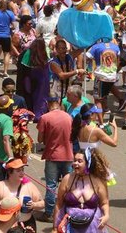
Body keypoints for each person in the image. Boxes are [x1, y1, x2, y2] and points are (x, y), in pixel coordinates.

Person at [38, 91, 74, 222]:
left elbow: (40, 139)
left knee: (51, 186)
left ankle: (48, 213)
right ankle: (70, 211)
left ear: (47, 103)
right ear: (59, 102)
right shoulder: (68, 117)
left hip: (52, 156)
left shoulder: (45, 118)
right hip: (68, 156)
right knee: (69, 186)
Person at [55, 149, 111, 232]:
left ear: (88, 163)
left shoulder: (98, 181)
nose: (75, 163)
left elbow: (104, 202)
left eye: (79, 161)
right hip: (70, 226)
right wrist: (54, 228)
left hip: (92, 226)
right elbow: (59, 204)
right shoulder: (67, 179)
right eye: (74, 160)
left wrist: (106, 215)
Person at [0, 158, 44, 231]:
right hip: (4, 228)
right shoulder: (0, 187)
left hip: (26, 226)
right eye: (18, 171)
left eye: (22, 170)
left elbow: (43, 203)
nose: (22, 173)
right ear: (9, 172)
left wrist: (34, 205)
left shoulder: (29, 186)